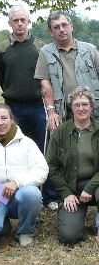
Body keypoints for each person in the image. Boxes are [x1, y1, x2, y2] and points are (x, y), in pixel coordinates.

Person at [0, 5, 57, 211]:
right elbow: (2, 77)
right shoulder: (1, 49)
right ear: (9, 23)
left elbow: (47, 77)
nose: (19, 24)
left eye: (23, 20)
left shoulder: (41, 46)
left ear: (29, 22)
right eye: (15, 20)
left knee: (42, 151)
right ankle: (13, 194)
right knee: (14, 152)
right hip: (13, 107)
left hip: (38, 106)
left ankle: (48, 196)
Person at [0, 103, 48, 247]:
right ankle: (3, 226)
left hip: (20, 192)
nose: (0, 123)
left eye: (4, 118)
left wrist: (17, 182)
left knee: (32, 193)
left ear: (12, 119)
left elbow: (42, 169)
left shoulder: (27, 144)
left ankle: (25, 231)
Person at [46, 86, 99, 244]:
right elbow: (52, 167)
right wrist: (65, 193)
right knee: (69, 237)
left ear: (91, 106)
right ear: (71, 107)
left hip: (96, 184)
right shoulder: (60, 132)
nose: (81, 108)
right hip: (72, 188)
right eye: (77, 105)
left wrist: (90, 188)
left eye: (84, 104)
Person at [34, 10, 99, 131]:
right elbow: (45, 84)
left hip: (93, 110)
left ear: (71, 26)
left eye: (64, 25)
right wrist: (52, 112)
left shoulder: (90, 49)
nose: (61, 29)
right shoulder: (45, 52)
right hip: (64, 112)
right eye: (56, 27)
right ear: (51, 32)